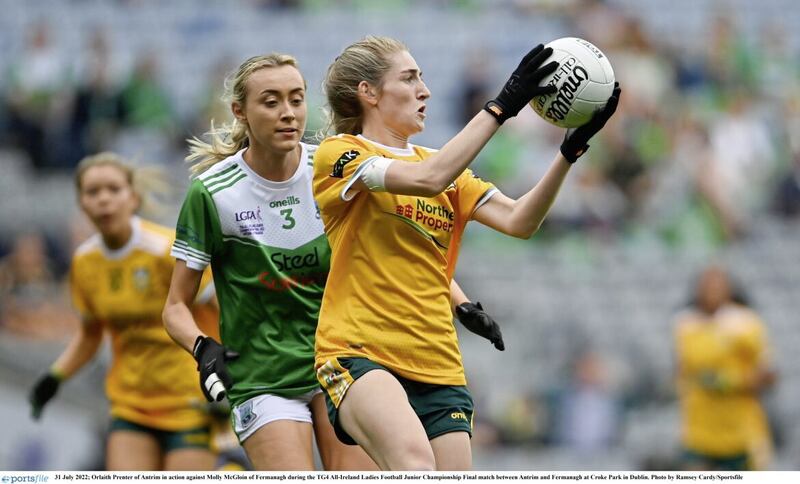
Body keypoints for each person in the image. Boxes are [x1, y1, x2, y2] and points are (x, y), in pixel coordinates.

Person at [311, 36, 620, 470]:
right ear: (369, 92)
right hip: (360, 350)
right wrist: (501, 107)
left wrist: (568, 153)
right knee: (415, 466)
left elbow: (519, 221)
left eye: (422, 77)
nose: (425, 90)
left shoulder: (443, 166)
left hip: (437, 359)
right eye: (410, 78)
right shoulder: (340, 155)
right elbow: (426, 180)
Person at [28, 152, 218, 470]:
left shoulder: (166, 250)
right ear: (82, 203)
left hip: (190, 402)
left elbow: (217, 313)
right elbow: (90, 334)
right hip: (130, 404)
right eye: (93, 192)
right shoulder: (84, 263)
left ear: (133, 198)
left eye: (113, 190)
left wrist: (225, 378)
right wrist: (54, 377)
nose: (103, 199)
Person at [673, 264, 776, 470]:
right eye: (707, 285)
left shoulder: (745, 323)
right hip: (699, 432)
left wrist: (730, 381)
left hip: (740, 433)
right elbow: (682, 370)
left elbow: (769, 375)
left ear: (729, 289)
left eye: (718, 284)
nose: (712, 290)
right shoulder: (685, 324)